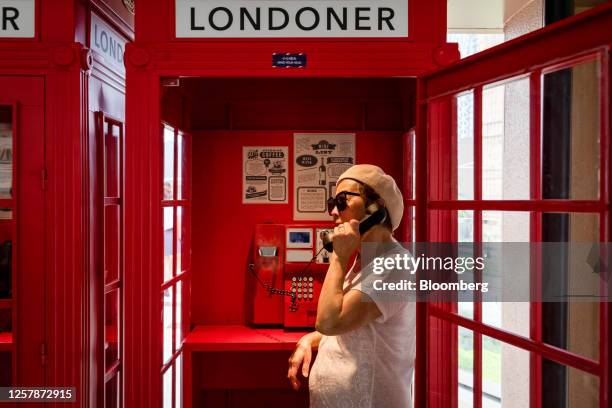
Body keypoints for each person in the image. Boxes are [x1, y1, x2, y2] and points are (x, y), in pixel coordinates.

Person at [287, 164, 416, 407]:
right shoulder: (362, 260)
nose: (334, 211)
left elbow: (329, 322)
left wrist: (338, 257)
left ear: (376, 207)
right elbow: (353, 330)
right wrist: (310, 340)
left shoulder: (396, 267)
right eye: (331, 203)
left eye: (342, 200)